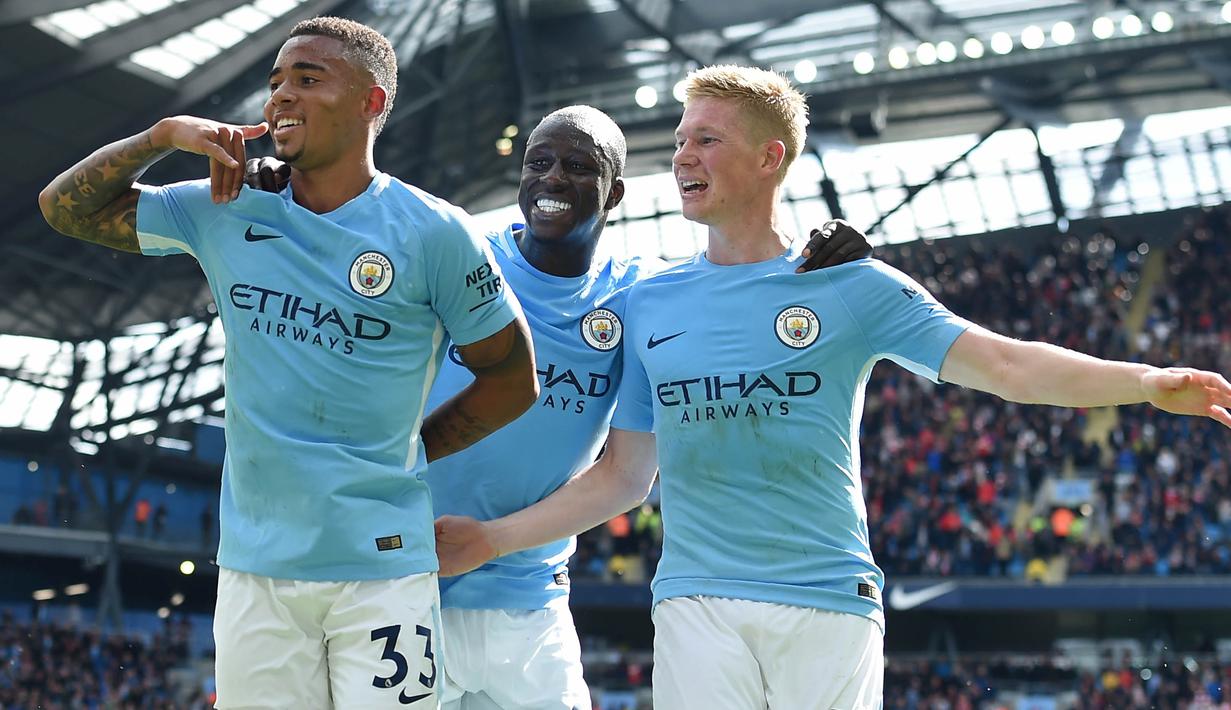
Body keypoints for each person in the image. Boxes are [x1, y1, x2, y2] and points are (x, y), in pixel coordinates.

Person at [434, 64, 1231, 709]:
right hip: (694, 600)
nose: (681, 157)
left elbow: (1005, 365)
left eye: (706, 140)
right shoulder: (645, 302)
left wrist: (1143, 381)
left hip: (825, 596)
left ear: (769, 158)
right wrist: (490, 537)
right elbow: (622, 474)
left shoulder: (852, 285)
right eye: (678, 141)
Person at [246, 102, 871, 709]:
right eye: (538, 162)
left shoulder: (640, 295)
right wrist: (294, 195)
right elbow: (349, 265)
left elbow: (737, 292)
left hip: (531, 602)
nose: (552, 178)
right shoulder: (460, 255)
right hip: (406, 586)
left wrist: (825, 255)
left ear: (614, 193)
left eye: (577, 167)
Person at [38, 16, 538, 709]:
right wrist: (160, 137)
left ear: (371, 102)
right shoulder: (227, 206)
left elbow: (512, 379)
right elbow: (65, 211)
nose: (281, 97)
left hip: (381, 570)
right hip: (255, 572)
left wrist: (410, 451)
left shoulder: (436, 232)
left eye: (308, 78)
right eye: (275, 82)